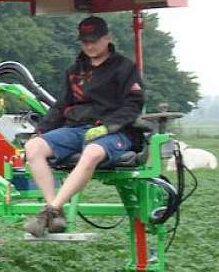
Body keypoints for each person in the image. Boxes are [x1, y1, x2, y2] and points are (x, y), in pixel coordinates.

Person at [23, 16, 144, 237]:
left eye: (94, 40)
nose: (89, 45)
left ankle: (49, 210)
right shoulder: (74, 71)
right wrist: (39, 133)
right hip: (77, 129)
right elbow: (61, 107)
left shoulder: (125, 68)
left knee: (91, 153)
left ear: (107, 38)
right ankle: (55, 211)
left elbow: (133, 105)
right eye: (85, 41)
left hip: (116, 132)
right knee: (34, 149)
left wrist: (108, 127)